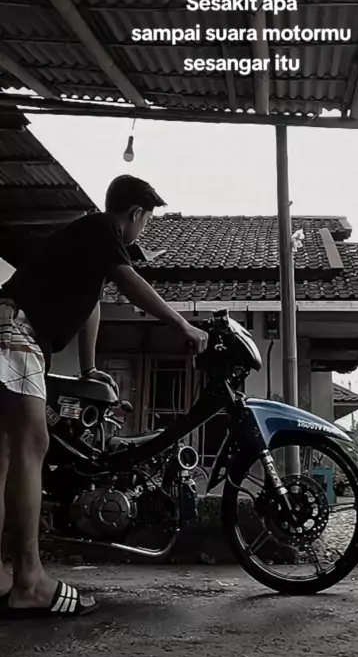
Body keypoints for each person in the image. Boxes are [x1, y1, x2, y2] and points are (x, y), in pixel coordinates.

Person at [0, 175, 208, 618]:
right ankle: (30, 581)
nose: (144, 230)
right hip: (15, 329)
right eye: (146, 221)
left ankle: (4, 576)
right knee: (32, 444)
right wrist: (182, 324)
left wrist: (89, 368)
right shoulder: (102, 227)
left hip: (10, 324)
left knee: (5, 453)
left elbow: (90, 305)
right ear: (136, 214)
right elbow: (128, 281)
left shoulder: (88, 244)